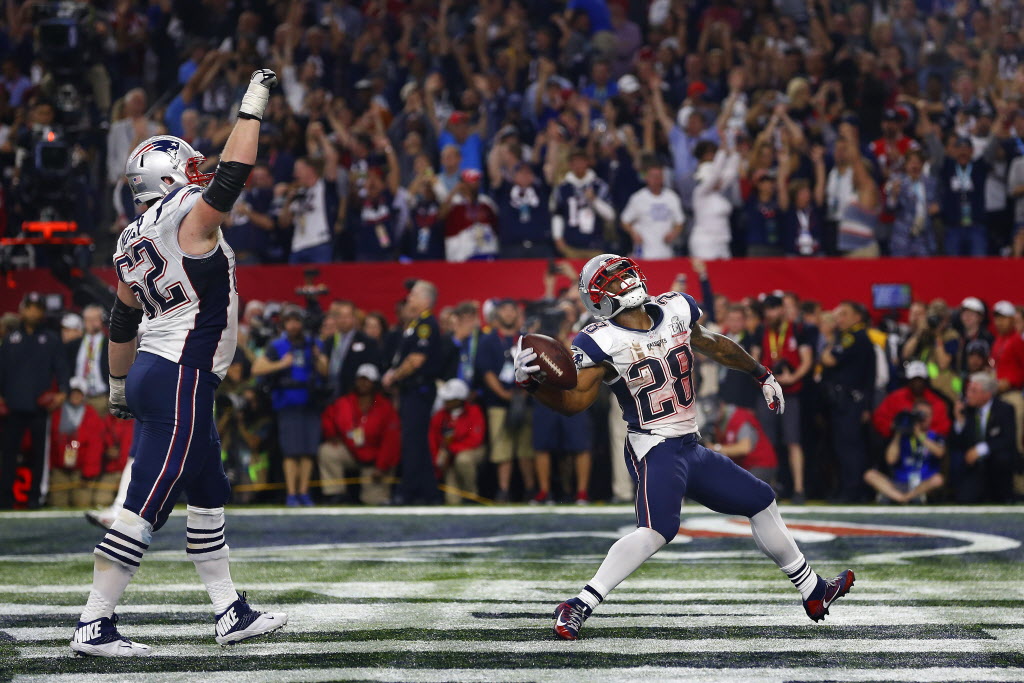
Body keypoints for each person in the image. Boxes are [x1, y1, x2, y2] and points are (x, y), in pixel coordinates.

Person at [514, 254, 853, 640]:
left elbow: (715, 345)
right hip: (653, 446)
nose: (623, 284)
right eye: (612, 281)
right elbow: (574, 404)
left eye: (624, 275)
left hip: (690, 445)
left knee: (760, 499)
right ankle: (576, 605)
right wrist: (534, 386)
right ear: (599, 298)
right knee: (658, 530)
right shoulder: (601, 340)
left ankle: (812, 590)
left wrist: (761, 373)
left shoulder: (675, 308)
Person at [71, 70, 287, 656]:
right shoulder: (185, 213)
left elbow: (121, 320)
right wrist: (253, 105)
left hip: (151, 369)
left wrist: (117, 385)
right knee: (146, 501)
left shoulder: (129, 238)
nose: (199, 176)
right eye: (189, 169)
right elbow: (234, 174)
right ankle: (94, 623)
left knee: (209, 491)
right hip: (180, 373)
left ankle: (230, 612)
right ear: (170, 178)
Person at [253, 305, 328, 507]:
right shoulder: (277, 346)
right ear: (284, 324)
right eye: (290, 321)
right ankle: (291, 493)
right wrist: (280, 365)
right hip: (287, 403)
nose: (294, 325)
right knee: (291, 451)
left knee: (308, 450)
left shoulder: (314, 343)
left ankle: (304, 492)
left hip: (310, 401)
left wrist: (318, 356)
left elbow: (325, 371)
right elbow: (257, 368)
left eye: (297, 321)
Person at [0, 292, 69, 509]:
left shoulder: (50, 339)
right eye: (30, 307)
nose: (33, 311)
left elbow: (62, 369)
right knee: (8, 454)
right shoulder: (10, 340)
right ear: (22, 309)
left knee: (40, 455)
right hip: (12, 406)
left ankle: (35, 498)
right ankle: (4, 498)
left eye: (37, 307)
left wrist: (63, 391)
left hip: (40, 407)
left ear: (42, 312)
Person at [383, 280, 443, 505]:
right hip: (412, 389)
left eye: (414, 295)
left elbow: (416, 360)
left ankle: (408, 491)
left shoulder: (425, 325)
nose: (409, 299)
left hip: (419, 388)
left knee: (412, 441)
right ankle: (429, 492)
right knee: (417, 441)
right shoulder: (415, 324)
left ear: (426, 300)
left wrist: (394, 376)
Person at [475, 299, 536, 503]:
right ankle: (503, 491)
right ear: (497, 314)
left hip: (524, 400)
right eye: (505, 310)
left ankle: (529, 490)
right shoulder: (488, 340)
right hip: (498, 403)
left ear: (517, 314)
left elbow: (537, 368)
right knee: (502, 449)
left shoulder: (525, 339)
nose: (509, 314)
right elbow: (486, 371)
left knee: (526, 449)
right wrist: (503, 393)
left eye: (513, 310)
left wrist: (525, 392)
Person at [757, 295, 813, 504]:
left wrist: (793, 377)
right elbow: (754, 358)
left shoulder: (798, 330)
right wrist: (764, 380)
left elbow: (807, 360)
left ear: (782, 310)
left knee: (793, 442)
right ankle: (769, 488)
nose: (771, 315)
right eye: (767, 311)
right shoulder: (761, 331)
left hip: (791, 394)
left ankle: (799, 489)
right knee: (768, 443)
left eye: (774, 310)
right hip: (768, 394)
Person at [318, 363, 399, 505]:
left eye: (367, 380)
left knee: (373, 501)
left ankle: (377, 493)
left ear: (374, 383)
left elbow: (391, 441)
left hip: (375, 458)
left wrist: (381, 466)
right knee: (327, 451)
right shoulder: (346, 402)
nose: (363, 383)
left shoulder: (384, 407)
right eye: (360, 379)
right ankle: (335, 493)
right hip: (351, 450)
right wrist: (331, 434)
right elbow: (328, 417)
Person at [821, 302, 876, 502]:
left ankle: (852, 490)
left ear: (857, 317)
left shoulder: (853, 337)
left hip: (850, 402)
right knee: (844, 446)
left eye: (844, 314)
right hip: (848, 401)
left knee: (848, 447)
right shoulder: (854, 337)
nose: (839, 319)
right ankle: (848, 488)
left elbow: (830, 360)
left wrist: (827, 344)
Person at [949, 373, 1019, 503]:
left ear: (987, 394)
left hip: (996, 462)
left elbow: (1008, 440)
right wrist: (959, 421)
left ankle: (1003, 494)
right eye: (968, 390)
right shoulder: (967, 411)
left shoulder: (1005, 409)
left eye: (973, 391)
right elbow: (956, 443)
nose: (968, 394)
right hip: (975, 466)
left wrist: (981, 449)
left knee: (1002, 457)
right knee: (964, 500)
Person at [864, 400, 945, 504]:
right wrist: (898, 432)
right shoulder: (902, 436)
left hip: (922, 484)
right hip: (899, 483)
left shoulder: (935, 436)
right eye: (919, 414)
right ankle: (902, 498)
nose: (923, 418)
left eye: (927, 415)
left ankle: (902, 497)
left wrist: (919, 435)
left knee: (938, 479)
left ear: (931, 417)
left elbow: (940, 453)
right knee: (870, 475)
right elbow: (890, 460)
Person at [429, 378, 486, 505]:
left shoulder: (474, 411)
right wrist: (438, 460)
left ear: (460, 399)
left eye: (450, 399)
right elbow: (433, 440)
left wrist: (451, 449)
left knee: (463, 459)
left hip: (470, 452)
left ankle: (471, 494)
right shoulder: (440, 416)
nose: (446, 401)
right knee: (452, 501)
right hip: (448, 458)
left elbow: (475, 440)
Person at [620, 155, 684, 260]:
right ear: (647, 177)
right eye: (653, 176)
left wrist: (673, 233)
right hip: (644, 253)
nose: (656, 180)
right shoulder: (638, 198)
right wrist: (634, 233)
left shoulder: (671, 197)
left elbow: (680, 222)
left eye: (659, 176)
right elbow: (625, 221)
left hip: (665, 252)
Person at [706, 399, 778, 487]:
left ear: (721, 406)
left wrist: (716, 448)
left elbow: (744, 448)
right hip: (742, 466)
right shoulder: (717, 423)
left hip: (760, 464)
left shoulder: (739, 417)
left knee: (737, 490)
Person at [67, 305, 111, 415]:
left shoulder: (111, 345)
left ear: (102, 320)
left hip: (101, 398)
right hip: (77, 397)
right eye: (87, 319)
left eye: (94, 319)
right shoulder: (73, 345)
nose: (91, 322)